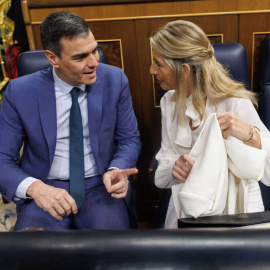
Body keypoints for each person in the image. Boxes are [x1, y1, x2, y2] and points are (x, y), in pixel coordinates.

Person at [0, 11, 141, 230]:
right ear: (52, 58)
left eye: (94, 50)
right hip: (45, 188)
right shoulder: (20, 92)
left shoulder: (115, 79)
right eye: (80, 57)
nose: (94, 62)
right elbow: (2, 158)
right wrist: (36, 189)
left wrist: (117, 168)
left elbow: (129, 139)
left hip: (100, 185)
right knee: (33, 256)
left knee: (114, 252)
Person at [150, 20, 270, 228]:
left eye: (158, 64)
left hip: (233, 213)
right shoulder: (168, 102)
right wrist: (173, 168)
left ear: (184, 70)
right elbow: (164, 163)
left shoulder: (235, 102)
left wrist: (252, 135)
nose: (152, 70)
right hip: (188, 204)